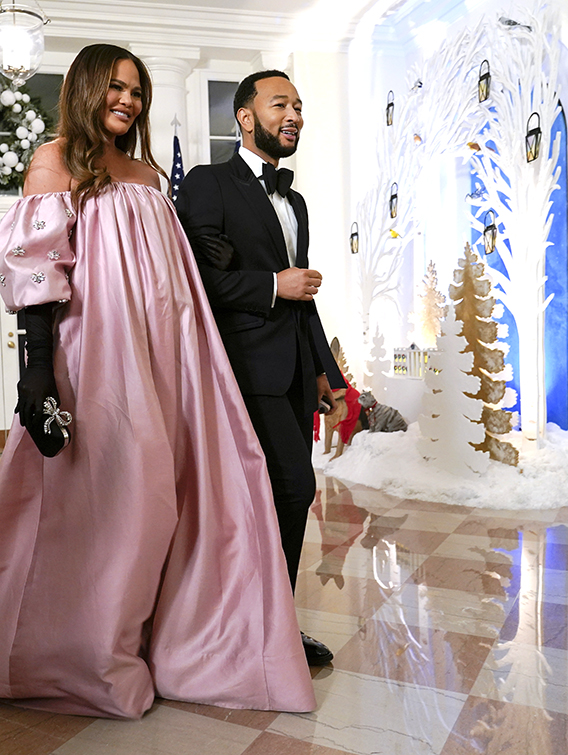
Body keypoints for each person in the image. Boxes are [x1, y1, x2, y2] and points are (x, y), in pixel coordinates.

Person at [0, 45, 316, 720]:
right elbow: (38, 272)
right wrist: (39, 370)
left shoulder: (147, 172)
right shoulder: (56, 160)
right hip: (97, 358)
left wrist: (199, 246)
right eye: (115, 86)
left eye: (136, 90)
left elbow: (165, 269)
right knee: (112, 504)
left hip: (169, 359)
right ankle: (85, 647)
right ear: (83, 88)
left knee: (175, 498)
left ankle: (167, 639)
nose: (128, 100)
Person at [175, 70, 341, 666]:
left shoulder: (294, 198)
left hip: (295, 371)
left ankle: (272, 627)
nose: (293, 114)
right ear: (246, 117)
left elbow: (305, 294)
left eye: (298, 104)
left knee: (283, 496)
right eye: (280, 104)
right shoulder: (208, 183)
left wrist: (326, 372)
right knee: (292, 488)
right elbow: (197, 282)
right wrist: (274, 283)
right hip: (243, 368)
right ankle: (256, 628)